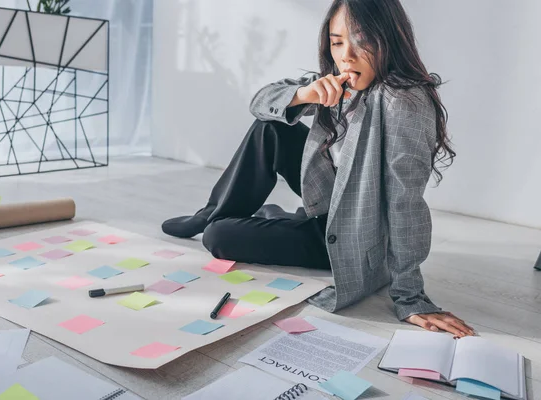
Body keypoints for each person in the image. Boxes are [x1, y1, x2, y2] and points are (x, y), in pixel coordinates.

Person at [162, 0, 475, 337]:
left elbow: (405, 202)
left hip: (352, 232)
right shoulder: (338, 83)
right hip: (331, 196)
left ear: (389, 38)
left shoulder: (403, 102)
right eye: (337, 41)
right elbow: (259, 103)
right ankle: (212, 212)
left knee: (219, 236)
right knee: (271, 126)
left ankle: (235, 220)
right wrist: (302, 94)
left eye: (362, 40)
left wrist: (410, 296)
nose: (346, 56)